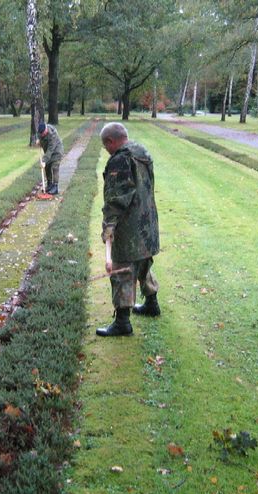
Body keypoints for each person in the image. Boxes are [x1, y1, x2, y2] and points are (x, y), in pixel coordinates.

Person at [96, 122, 161, 337]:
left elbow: (116, 199)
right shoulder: (141, 151)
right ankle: (151, 304)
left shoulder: (120, 160)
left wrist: (108, 227)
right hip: (147, 223)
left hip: (129, 226)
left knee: (122, 270)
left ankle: (122, 322)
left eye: (105, 146)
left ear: (110, 141)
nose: (107, 150)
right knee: (143, 263)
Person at [37, 121, 64, 195]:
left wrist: (43, 160)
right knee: (47, 167)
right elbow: (39, 137)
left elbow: (50, 149)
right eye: (41, 134)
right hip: (48, 152)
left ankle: (55, 187)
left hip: (57, 151)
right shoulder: (40, 132)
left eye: (43, 133)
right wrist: (39, 141)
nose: (42, 135)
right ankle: (50, 184)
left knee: (54, 167)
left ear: (46, 129)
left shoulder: (52, 134)